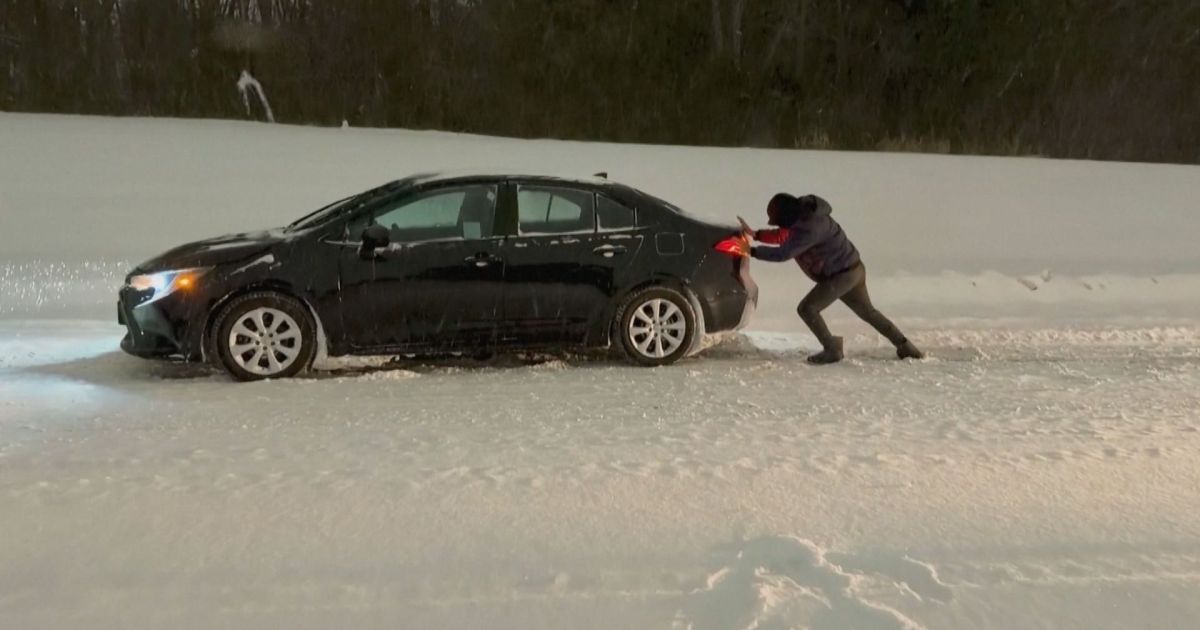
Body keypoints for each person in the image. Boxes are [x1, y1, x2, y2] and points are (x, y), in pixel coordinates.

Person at [736, 193, 924, 364]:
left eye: (778, 221)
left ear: (787, 216)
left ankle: (832, 349)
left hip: (841, 276)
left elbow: (783, 253)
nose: (777, 225)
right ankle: (905, 346)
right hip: (852, 269)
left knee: (807, 308)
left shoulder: (810, 228)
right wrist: (756, 235)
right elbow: (784, 236)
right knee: (868, 312)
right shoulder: (803, 215)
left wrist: (749, 250)